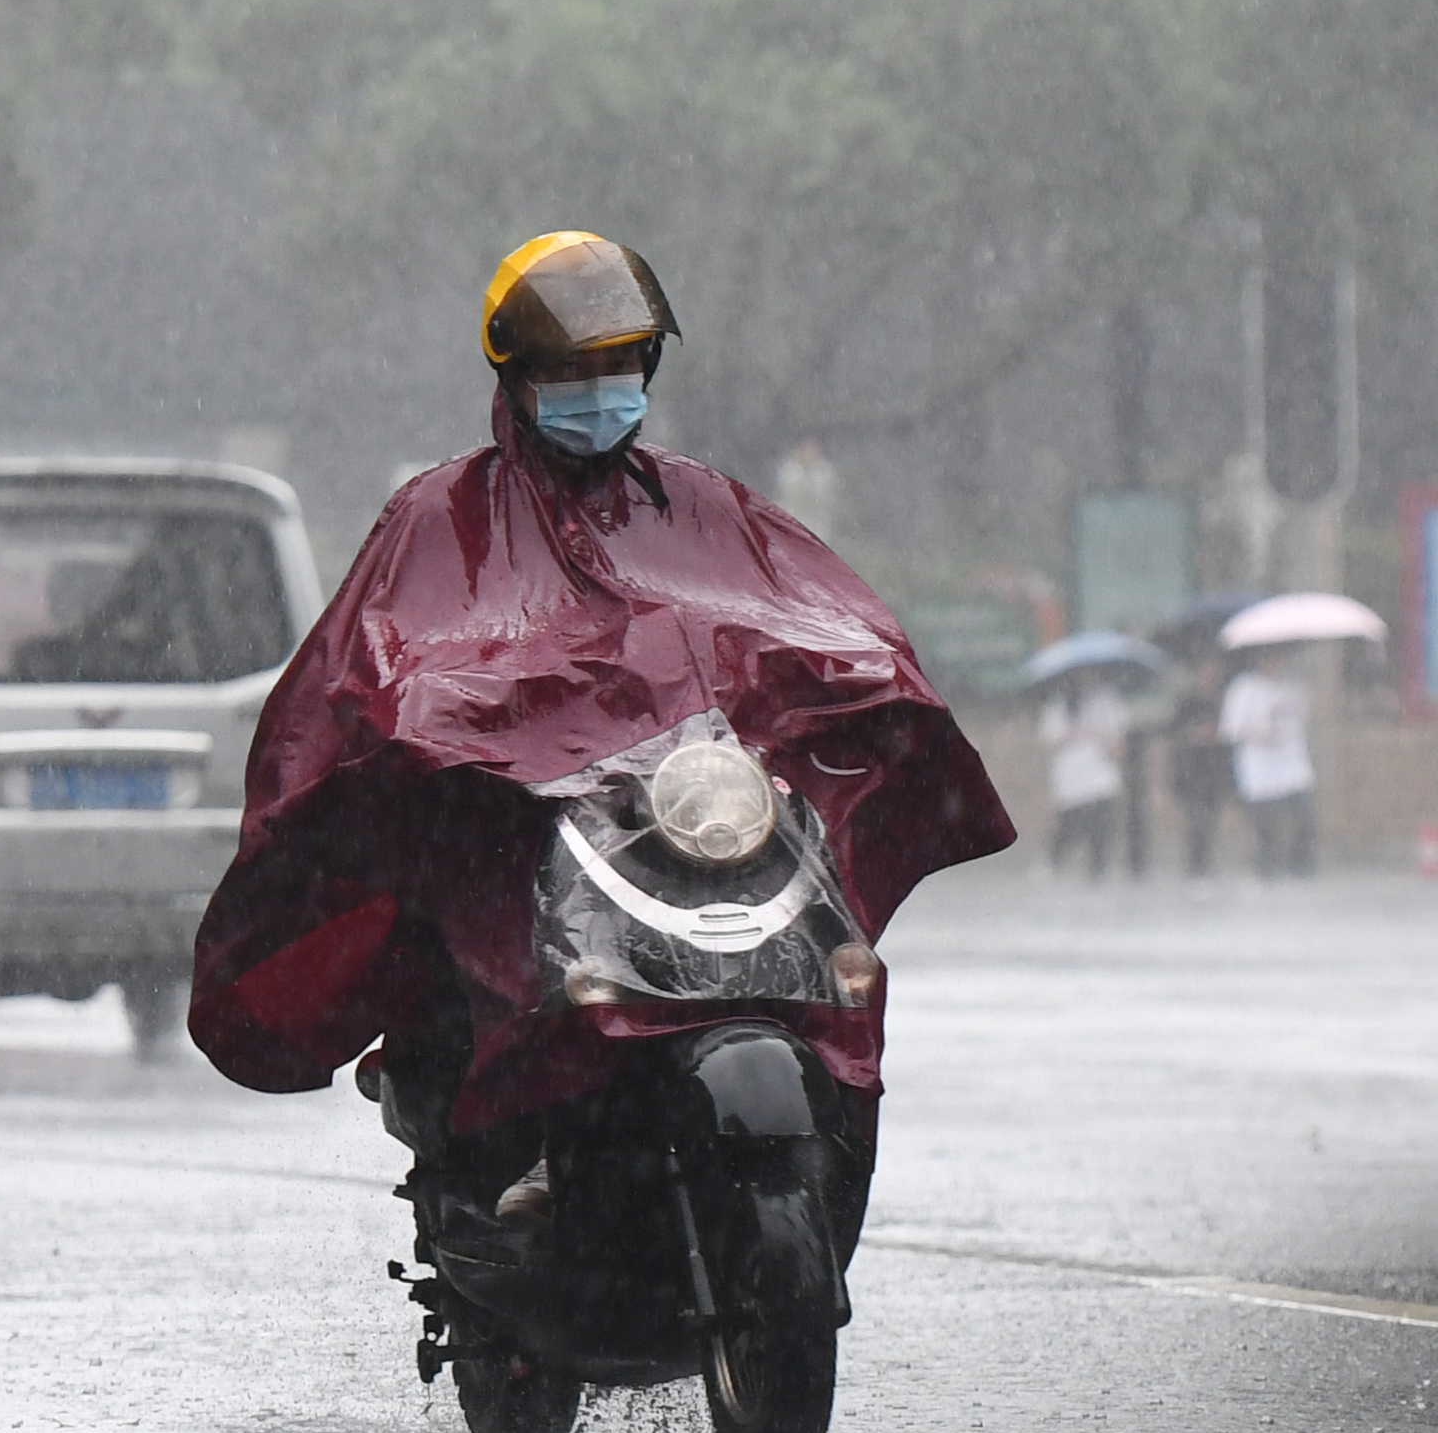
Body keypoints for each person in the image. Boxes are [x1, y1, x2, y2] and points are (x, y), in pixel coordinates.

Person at [188, 230, 1011, 1230]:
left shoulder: (705, 504)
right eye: (574, 369)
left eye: (619, 364)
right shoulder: (441, 514)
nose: (600, 386)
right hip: (515, 827)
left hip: (684, 819)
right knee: (507, 942)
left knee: (822, 953)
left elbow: (806, 614)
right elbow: (384, 660)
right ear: (520, 376)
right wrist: (474, 728)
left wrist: (859, 678)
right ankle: (525, 1143)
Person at [1220, 647, 1316, 877]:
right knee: (1265, 826)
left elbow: (1306, 715)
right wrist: (1260, 733)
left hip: (1292, 765)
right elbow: (1229, 729)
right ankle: (1267, 868)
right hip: (1260, 770)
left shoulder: (1291, 686)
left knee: (1305, 819)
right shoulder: (1244, 688)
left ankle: (1299, 866)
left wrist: (1310, 698)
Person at [1039, 675, 1128, 877]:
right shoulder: (1057, 705)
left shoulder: (1106, 701)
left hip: (1101, 779)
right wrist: (1077, 731)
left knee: (1101, 831)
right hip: (1071, 782)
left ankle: (1098, 873)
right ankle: (1052, 864)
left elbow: (1119, 745)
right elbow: (1051, 739)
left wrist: (1101, 733)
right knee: (1069, 829)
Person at [1167, 650, 1235, 877]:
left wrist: (1216, 735)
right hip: (1191, 771)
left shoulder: (1223, 701)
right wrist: (1194, 735)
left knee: (1210, 819)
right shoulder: (1187, 701)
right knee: (1197, 820)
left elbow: (1230, 732)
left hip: (1214, 770)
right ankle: (1197, 866)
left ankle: (1204, 865)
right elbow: (1176, 733)